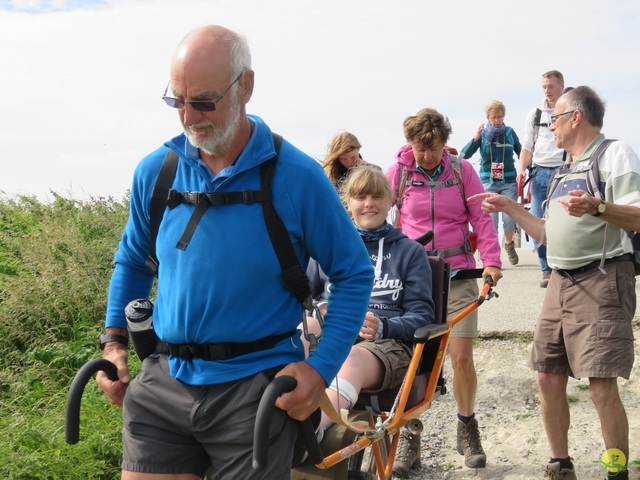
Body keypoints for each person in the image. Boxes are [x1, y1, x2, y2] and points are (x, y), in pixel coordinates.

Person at [95, 25, 374, 480]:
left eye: (204, 100)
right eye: (177, 101)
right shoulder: (157, 172)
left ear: (245, 86)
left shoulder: (297, 177)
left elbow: (354, 273)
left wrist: (320, 369)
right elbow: (133, 260)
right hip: (163, 380)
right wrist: (114, 344)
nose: (189, 116)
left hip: (256, 391)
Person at [471, 86, 639, 480]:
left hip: (602, 277)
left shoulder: (614, 153)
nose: (550, 128)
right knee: (547, 375)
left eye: (555, 120)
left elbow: (636, 214)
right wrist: (510, 207)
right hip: (561, 281)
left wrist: (597, 206)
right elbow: (548, 234)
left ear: (575, 117)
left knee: (600, 385)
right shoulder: (565, 166)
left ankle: (616, 472)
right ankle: (560, 464)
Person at [386, 108, 503, 475]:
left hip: (460, 273)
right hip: (414, 278)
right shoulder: (400, 173)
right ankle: (409, 436)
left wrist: (492, 261)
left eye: (433, 148)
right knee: (411, 358)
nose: (426, 156)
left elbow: (481, 218)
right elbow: (373, 213)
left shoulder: (461, 170)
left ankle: (467, 426)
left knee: (461, 355)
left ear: (444, 142)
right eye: (420, 148)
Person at [305, 165, 435, 440]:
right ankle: (265, 412)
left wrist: (385, 327)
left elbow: (422, 315)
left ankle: (313, 428)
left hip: (387, 344)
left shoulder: (410, 252)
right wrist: (317, 309)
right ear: (347, 204)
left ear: (390, 202)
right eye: (360, 197)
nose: (369, 204)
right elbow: (301, 297)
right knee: (307, 325)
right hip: (336, 331)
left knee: (353, 357)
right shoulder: (329, 248)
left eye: (376, 197)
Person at [517, 70, 566, 288]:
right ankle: (546, 269)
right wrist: (521, 170)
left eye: (551, 86)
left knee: (565, 221)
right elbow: (527, 145)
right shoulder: (535, 114)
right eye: (544, 87)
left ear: (561, 86)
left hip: (564, 170)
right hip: (538, 172)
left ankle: (564, 266)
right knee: (536, 220)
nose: (547, 91)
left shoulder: (570, 110)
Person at [461, 100, 522, 266]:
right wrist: (475, 138)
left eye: (500, 117)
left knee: (509, 218)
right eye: (494, 117)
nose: (497, 120)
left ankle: (509, 244)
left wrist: (526, 169)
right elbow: (464, 155)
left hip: (508, 181)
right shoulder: (482, 135)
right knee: (491, 221)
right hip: (488, 182)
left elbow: (521, 152)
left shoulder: (509, 132)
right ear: (487, 117)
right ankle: (493, 256)